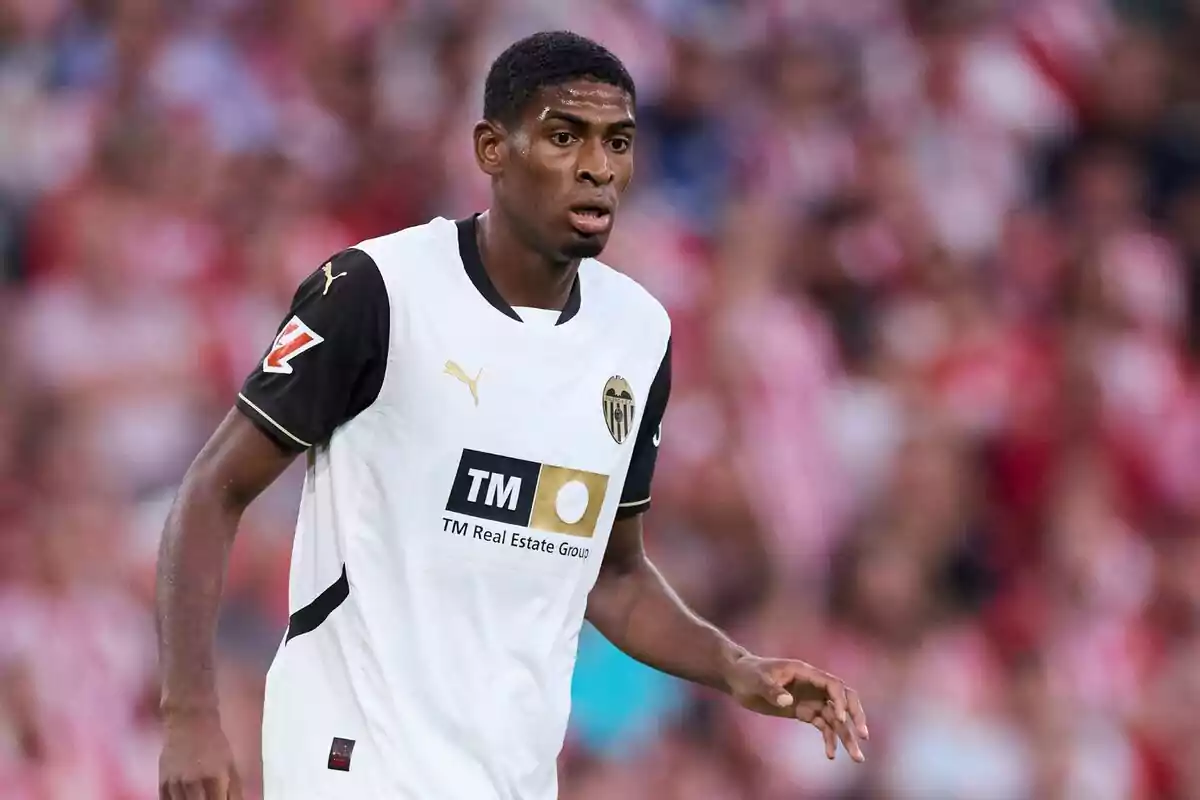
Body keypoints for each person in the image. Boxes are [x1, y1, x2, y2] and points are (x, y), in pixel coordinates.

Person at [155, 30, 869, 800]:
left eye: (618, 142)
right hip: (354, 756)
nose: (598, 166)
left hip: (513, 775)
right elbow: (211, 491)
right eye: (565, 136)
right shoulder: (376, 292)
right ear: (493, 149)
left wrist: (738, 669)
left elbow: (613, 575)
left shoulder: (638, 333)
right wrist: (190, 711)